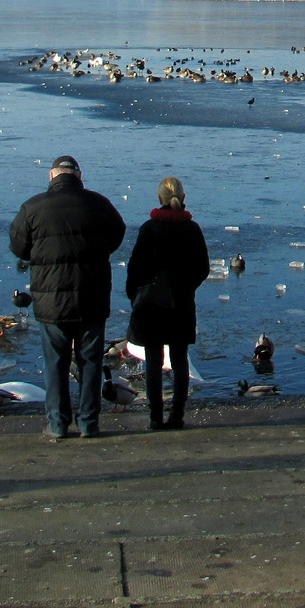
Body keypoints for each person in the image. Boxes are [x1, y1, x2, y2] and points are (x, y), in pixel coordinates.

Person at [10, 154, 126, 440]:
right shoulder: (99, 204)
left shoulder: (32, 208)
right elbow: (117, 235)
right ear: (79, 175)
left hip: (51, 302)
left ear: (52, 176)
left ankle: (58, 424)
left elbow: (19, 247)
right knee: (90, 362)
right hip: (92, 298)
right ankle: (88, 422)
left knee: (56, 363)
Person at [126, 176, 210, 430]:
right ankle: (177, 415)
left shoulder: (149, 229)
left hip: (151, 304)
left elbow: (135, 269)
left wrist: (135, 296)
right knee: (179, 358)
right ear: (183, 198)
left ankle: (155, 416)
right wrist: (186, 289)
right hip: (181, 304)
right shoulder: (192, 229)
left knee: (153, 359)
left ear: (159, 198)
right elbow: (203, 268)